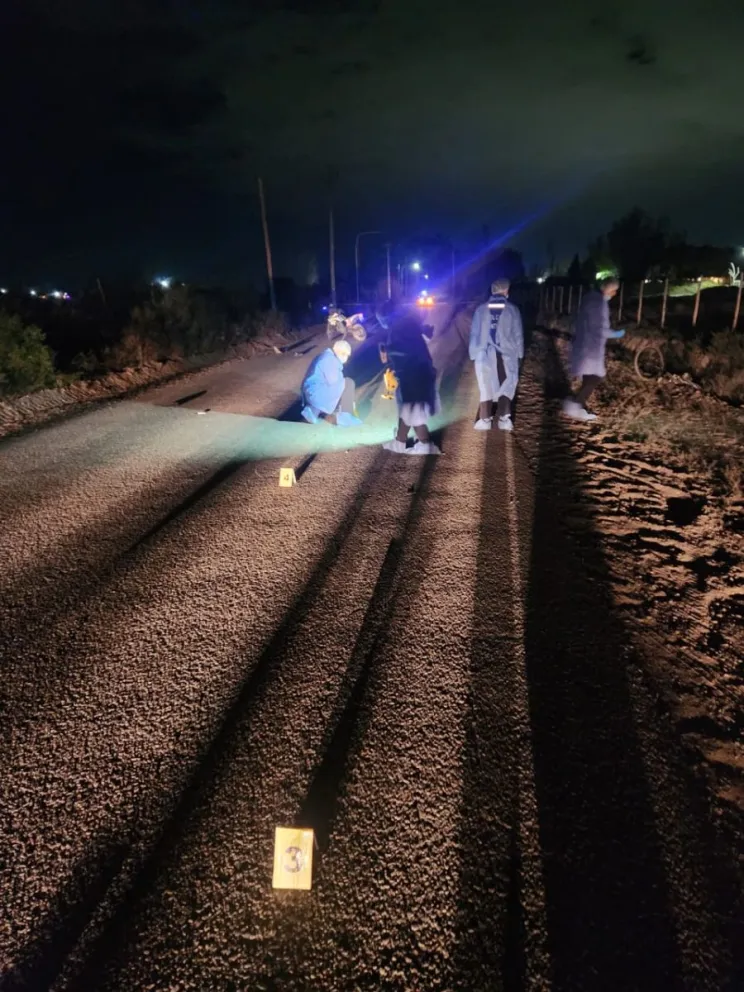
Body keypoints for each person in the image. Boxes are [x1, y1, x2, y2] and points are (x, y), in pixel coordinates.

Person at [376, 302, 441, 455]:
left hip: (412, 374)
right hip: (419, 372)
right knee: (406, 409)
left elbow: (400, 352)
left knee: (413, 410)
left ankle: (425, 444)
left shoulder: (397, 328)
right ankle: (400, 441)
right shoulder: (407, 323)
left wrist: (387, 352)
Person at [563, 277, 625, 422]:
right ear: (608, 289)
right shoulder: (599, 303)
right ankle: (576, 406)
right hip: (592, 347)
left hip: (584, 343)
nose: (614, 294)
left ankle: (578, 405)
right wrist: (615, 334)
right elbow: (600, 329)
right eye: (614, 290)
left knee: (589, 376)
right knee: (595, 377)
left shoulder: (589, 298)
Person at [469, 278, 524, 432]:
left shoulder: (480, 309)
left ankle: (485, 419)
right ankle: (504, 419)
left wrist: (473, 352)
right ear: (506, 291)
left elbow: (474, 333)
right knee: (508, 383)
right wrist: (520, 354)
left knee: (485, 384)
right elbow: (518, 335)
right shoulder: (513, 309)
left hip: (484, 353)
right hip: (507, 354)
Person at [300, 340, 362, 426]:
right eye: (346, 355)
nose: (346, 358)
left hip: (311, 392)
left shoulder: (326, 356)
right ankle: (345, 417)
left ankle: (312, 411)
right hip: (315, 393)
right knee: (348, 383)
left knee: (326, 388)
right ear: (341, 353)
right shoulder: (330, 361)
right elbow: (337, 384)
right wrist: (349, 403)